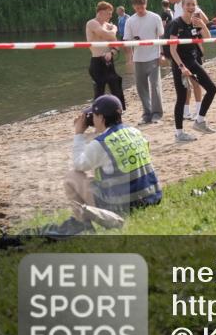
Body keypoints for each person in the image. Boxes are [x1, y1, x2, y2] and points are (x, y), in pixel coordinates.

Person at [62, 95, 162, 233]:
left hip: (122, 206)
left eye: (94, 115)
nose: (92, 119)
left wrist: (79, 133)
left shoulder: (101, 143)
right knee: (97, 176)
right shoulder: (136, 132)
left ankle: (84, 227)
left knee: (72, 177)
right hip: (150, 197)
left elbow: (79, 164)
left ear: (102, 118)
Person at [166, 0, 216, 141]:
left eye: (193, 4)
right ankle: (179, 133)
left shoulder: (195, 22)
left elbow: (207, 39)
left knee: (212, 89)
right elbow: (172, 50)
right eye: (188, 4)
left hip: (193, 61)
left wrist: (202, 25)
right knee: (181, 98)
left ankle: (199, 121)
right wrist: (182, 67)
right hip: (179, 64)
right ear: (182, 7)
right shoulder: (176, 24)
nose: (190, 7)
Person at [162, 0, 208, 119]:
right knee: (184, 81)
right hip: (179, 50)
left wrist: (196, 28)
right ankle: (186, 111)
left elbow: (204, 20)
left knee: (195, 81)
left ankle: (199, 110)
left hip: (191, 48)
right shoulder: (177, 6)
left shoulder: (189, 4)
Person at [123, 0, 165, 124]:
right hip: (138, 58)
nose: (140, 10)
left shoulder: (155, 17)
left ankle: (157, 113)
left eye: (141, 7)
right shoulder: (130, 20)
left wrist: (162, 54)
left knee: (155, 85)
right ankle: (147, 113)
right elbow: (127, 40)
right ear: (133, 7)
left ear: (145, 4)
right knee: (141, 87)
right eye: (137, 8)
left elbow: (161, 36)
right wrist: (129, 59)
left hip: (153, 56)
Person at [86, 1, 126, 108]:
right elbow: (107, 34)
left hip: (108, 60)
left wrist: (112, 52)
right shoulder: (92, 23)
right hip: (97, 61)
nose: (111, 16)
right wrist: (114, 29)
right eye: (108, 13)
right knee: (99, 91)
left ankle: (119, 110)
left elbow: (116, 44)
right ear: (100, 12)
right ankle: (98, 113)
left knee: (116, 86)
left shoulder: (108, 25)